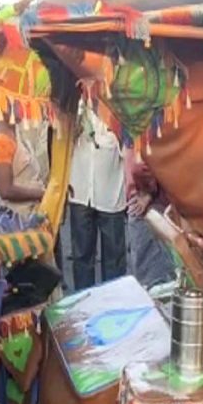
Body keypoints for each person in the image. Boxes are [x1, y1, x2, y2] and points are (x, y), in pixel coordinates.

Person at [68, 108, 126, 289]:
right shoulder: (77, 106)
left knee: (114, 260)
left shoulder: (118, 108)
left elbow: (130, 146)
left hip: (111, 194)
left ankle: (113, 302)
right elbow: (62, 139)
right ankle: (84, 301)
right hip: (80, 191)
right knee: (82, 256)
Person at [125, 147, 175, 289]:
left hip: (151, 205)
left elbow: (139, 165)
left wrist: (147, 191)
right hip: (149, 204)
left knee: (152, 282)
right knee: (154, 282)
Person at [0, 121, 45, 215]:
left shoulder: (16, 131)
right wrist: (41, 194)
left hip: (29, 213)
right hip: (16, 216)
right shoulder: (2, 141)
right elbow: (5, 190)